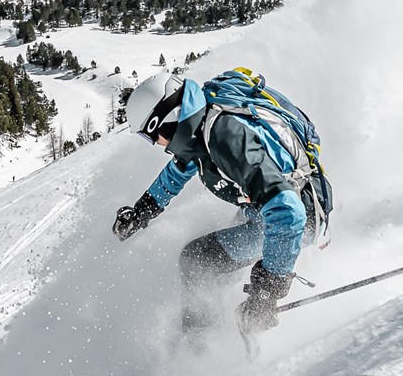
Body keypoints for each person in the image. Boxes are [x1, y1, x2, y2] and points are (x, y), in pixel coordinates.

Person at [113, 71, 329, 340]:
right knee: (218, 257)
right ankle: (217, 322)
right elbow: (180, 169)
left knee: (196, 260)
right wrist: (143, 210)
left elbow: (288, 212)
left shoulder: (224, 137)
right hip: (265, 211)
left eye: (151, 136)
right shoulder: (202, 122)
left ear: (165, 120)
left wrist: (267, 291)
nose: (157, 144)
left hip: (294, 221)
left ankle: (199, 346)